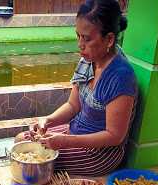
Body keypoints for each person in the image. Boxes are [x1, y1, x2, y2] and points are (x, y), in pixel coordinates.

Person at [16, 0, 137, 176]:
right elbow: (73, 105)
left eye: (87, 38)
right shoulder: (88, 60)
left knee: (34, 165)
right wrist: (47, 121)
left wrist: (65, 141)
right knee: (21, 141)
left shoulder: (120, 76)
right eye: (78, 36)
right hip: (73, 133)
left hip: (99, 154)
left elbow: (114, 136)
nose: (80, 45)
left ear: (109, 39)